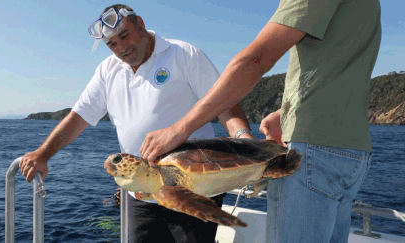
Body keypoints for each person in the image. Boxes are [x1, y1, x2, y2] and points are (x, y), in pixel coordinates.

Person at [140, 0, 381, 242]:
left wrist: (179, 129)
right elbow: (341, 65)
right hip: (352, 151)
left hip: (312, 152)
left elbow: (255, 60)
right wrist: (287, 113)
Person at [19, 3, 254, 243]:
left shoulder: (183, 54)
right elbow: (79, 117)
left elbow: (225, 104)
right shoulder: (107, 71)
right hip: (141, 194)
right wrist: (43, 154)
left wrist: (245, 139)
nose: (121, 48)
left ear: (140, 24)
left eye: (124, 35)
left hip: (192, 188)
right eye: (112, 44)